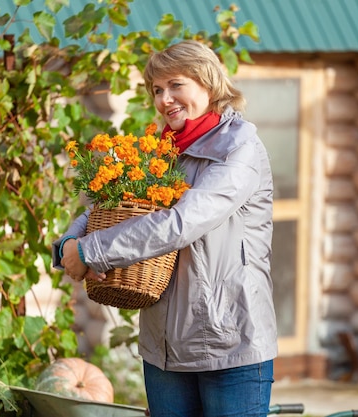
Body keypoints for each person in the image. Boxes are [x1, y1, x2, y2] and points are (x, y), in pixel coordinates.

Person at [54, 40, 278, 417]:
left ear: (208, 83)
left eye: (176, 85)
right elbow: (109, 203)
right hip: (164, 351)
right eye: (157, 90)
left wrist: (90, 252)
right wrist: (68, 244)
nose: (165, 99)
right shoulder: (160, 150)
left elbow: (181, 223)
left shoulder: (239, 148)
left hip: (230, 347)